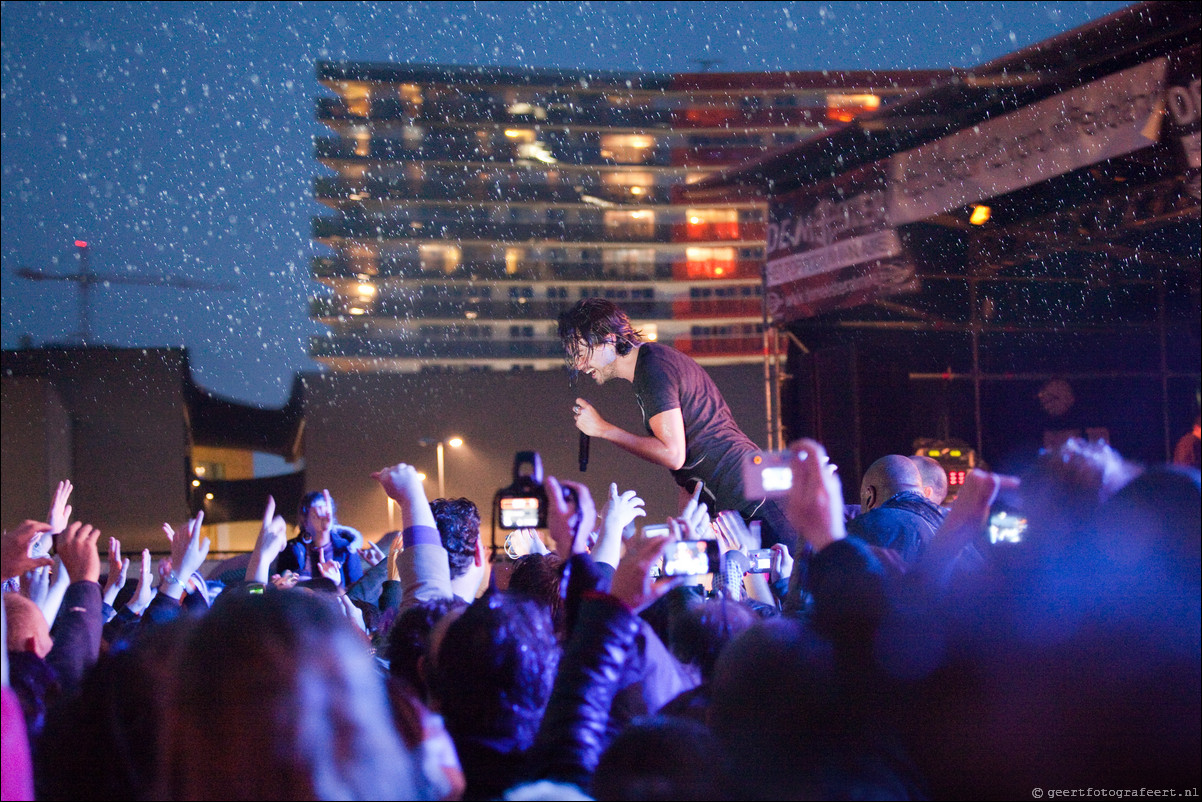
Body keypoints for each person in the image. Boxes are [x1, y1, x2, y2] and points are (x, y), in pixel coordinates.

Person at [558, 298, 796, 548]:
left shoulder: (652, 369)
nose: (581, 366)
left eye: (582, 354)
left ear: (607, 338)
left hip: (751, 497)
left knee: (794, 582)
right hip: (743, 495)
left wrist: (603, 429)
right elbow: (688, 459)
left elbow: (673, 454)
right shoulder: (650, 367)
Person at [275, 489, 364, 589]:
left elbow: (358, 593)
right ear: (304, 521)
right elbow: (282, 582)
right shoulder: (291, 548)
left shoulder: (346, 549)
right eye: (315, 516)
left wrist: (323, 534)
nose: (321, 519)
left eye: (324, 514)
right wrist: (285, 582)